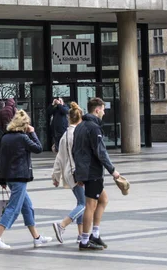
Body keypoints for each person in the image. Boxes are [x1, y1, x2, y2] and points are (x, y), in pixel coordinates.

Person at [0, 110, 52, 250]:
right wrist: (33, 132)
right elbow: (38, 148)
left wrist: (1, 179)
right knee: (13, 208)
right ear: (24, 125)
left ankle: (36, 238)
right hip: (19, 177)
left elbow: (2, 160)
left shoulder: (6, 137)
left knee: (27, 207)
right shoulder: (23, 138)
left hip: (10, 178)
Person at [72, 97, 121, 251]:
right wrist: (112, 170)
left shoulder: (80, 126)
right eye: (103, 109)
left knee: (103, 199)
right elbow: (100, 152)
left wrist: (79, 174)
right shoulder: (94, 128)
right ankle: (85, 240)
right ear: (97, 109)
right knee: (90, 205)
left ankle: (95, 234)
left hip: (85, 171)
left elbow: (75, 151)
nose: (104, 113)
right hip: (92, 171)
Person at [52, 102, 85, 244]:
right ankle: (62, 225)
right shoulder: (76, 134)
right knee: (84, 204)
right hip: (75, 173)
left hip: (68, 172)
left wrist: (56, 176)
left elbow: (59, 157)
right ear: (80, 119)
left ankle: (81, 234)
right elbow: (79, 156)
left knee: (80, 202)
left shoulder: (65, 135)